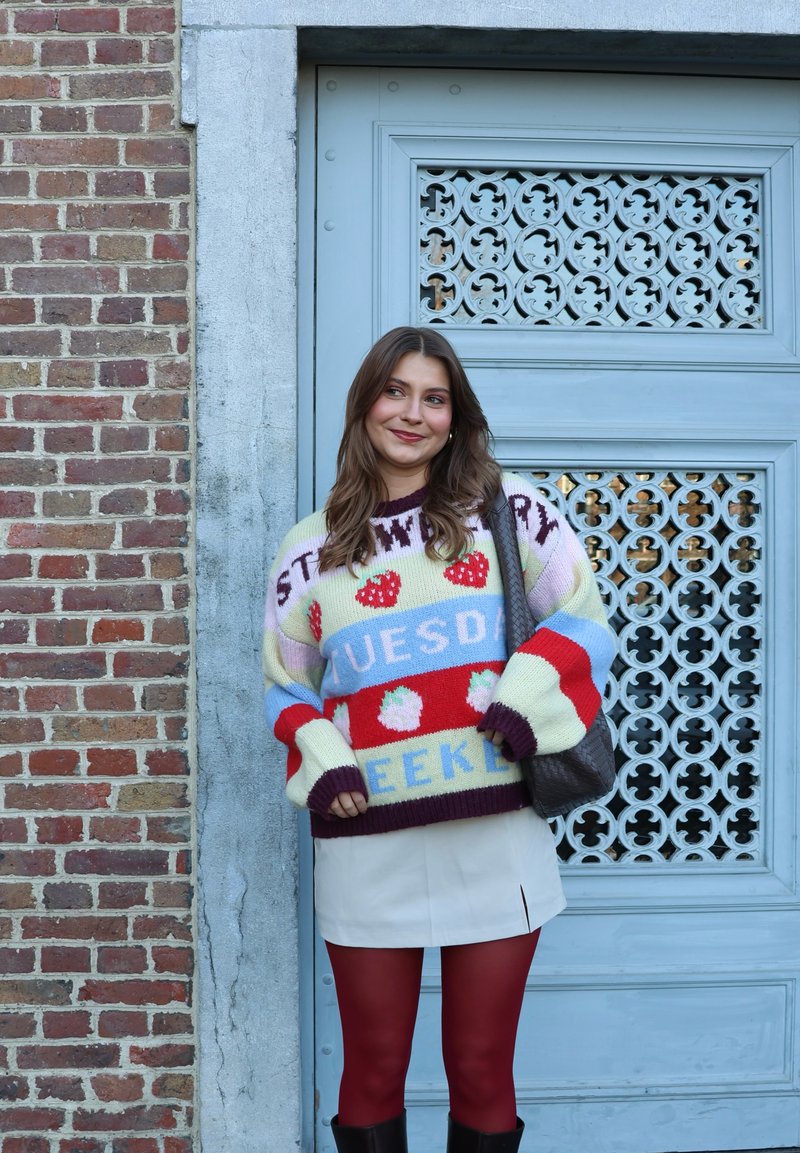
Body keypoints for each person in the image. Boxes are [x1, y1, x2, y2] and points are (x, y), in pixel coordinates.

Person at [262, 327, 614, 1153]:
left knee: (482, 1066)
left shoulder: (512, 509)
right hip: (367, 839)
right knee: (373, 1068)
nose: (410, 413)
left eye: (433, 397)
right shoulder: (308, 549)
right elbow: (286, 682)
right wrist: (324, 762)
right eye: (394, 391)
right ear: (365, 405)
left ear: (455, 419)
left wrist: (524, 700)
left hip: (495, 831)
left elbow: (585, 624)